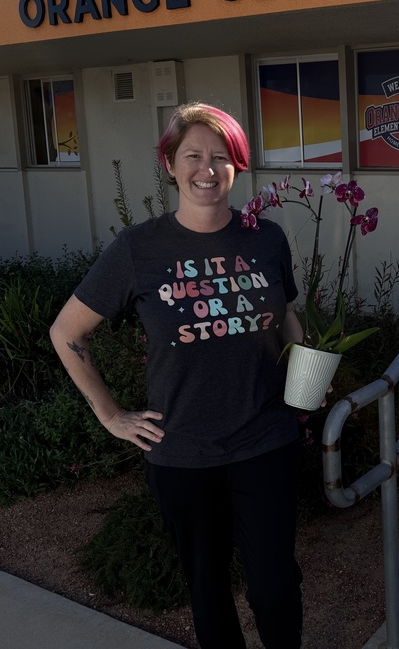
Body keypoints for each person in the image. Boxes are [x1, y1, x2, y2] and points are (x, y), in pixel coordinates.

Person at [50, 102, 305, 649]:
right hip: (181, 452)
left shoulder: (267, 240)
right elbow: (67, 332)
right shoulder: (138, 250)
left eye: (220, 157)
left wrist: (308, 373)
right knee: (208, 591)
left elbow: (285, 315)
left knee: (274, 587)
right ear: (169, 164)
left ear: (238, 165)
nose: (206, 169)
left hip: (267, 440)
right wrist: (111, 415)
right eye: (192, 155)